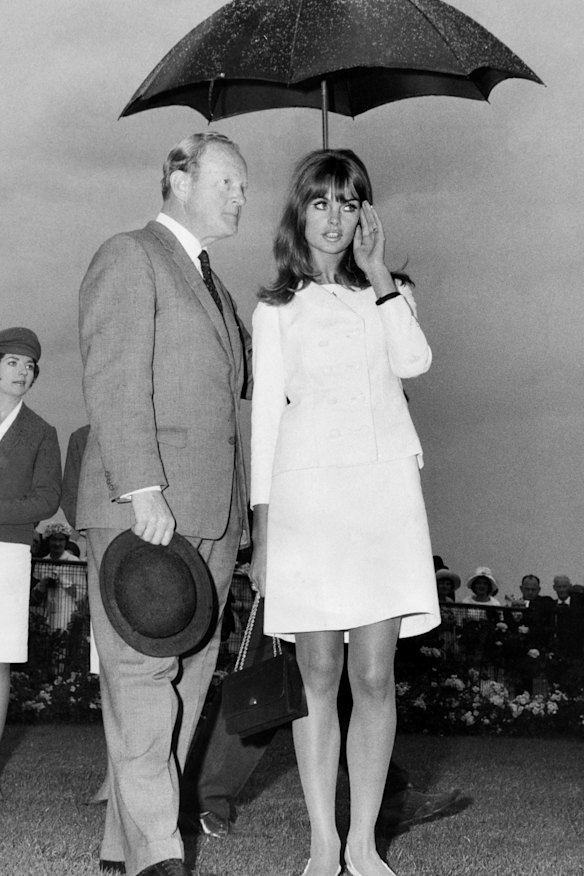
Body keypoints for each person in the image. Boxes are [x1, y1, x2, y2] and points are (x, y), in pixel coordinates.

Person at [249, 149, 441, 876]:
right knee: (319, 671)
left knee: (373, 675)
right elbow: (266, 422)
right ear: (299, 211)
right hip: (307, 499)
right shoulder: (276, 308)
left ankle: (363, 844)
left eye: (350, 201)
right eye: (321, 202)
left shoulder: (391, 293)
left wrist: (382, 275)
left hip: (383, 496)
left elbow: (414, 363)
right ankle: (323, 844)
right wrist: (264, 528)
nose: (335, 218)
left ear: (367, 213)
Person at [77, 131, 252, 876]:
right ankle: (160, 853)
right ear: (180, 179)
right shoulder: (130, 255)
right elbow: (114, 375)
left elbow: (243, 392)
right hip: (143, 509)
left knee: (185, 683)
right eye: (228, 182)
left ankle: (130, 845)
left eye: (244, 188)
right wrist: (142, 486)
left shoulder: (217, 285)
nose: (241, 198)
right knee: (143, 679)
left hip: (212, 515)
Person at [0, 326, 61, 747]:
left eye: (30, 366)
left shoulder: (41, 431)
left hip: (8, 554)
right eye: (12, 362)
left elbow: (47, 499)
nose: (22, 371)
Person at [32, 521, 83, 631]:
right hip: (46, 616)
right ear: (48, 541)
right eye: (54, 539)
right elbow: (35, 598)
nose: (57, 543)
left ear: (66, 541)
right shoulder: (42, 563)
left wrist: (64, 581)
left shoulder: (74, 562)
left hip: (68, 615)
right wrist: (42, 584)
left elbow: (81, 595)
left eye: (61, 540)